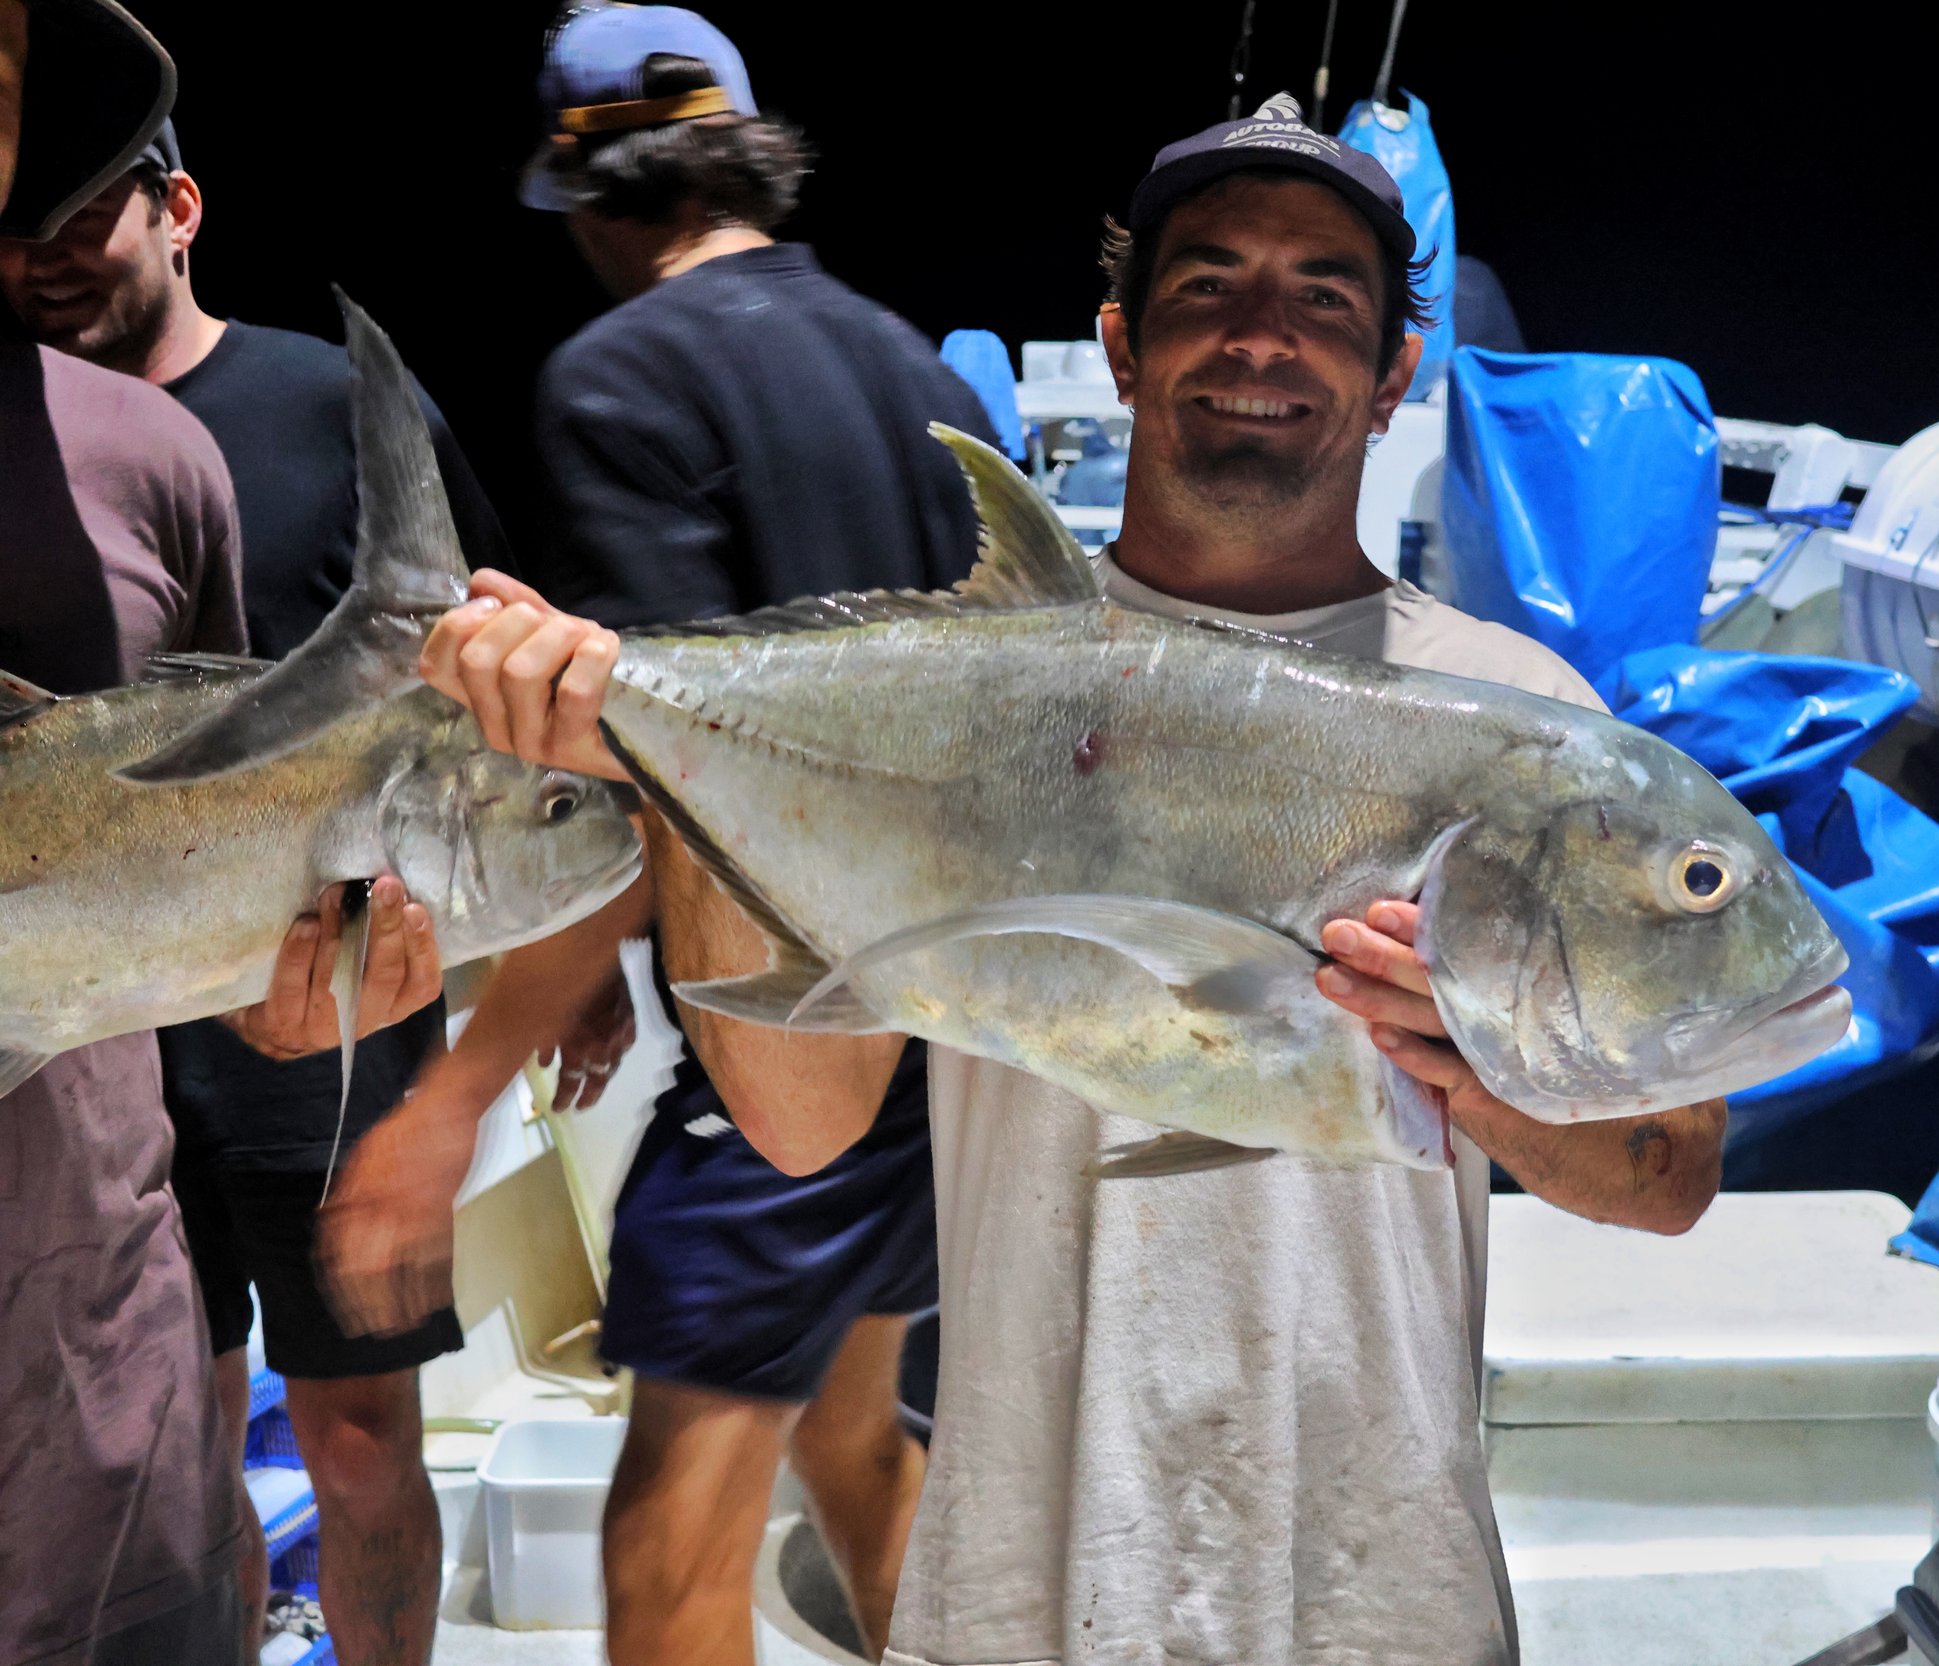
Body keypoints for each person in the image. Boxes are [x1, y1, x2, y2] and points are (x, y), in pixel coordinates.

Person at [414, 90, 1727, 1666]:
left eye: (1325, 295)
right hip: (1024, 1585)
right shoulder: (971, 686)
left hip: (1383, 1590)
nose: (1262, 333)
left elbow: (1670, 1173)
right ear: (1120, 344)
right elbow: (799, 1112)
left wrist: (1475, 1071)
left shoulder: (1522, 724)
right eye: (1208, 285)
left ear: (1395, 375)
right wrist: (670, 772)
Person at [317, 9, 993, 1661]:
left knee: (662, 1551)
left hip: (786, 1047)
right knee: (844, 1428)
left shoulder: (622, 376)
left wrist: (441, 1111)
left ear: (592, 201)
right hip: (946, 1033)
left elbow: (629, 793)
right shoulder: (909, 362)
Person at [0, 117, 515, 1666]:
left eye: (93, 208)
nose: (50, 246)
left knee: (356, 1436)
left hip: (321, 1008)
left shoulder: (313, 402)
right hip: (109, 1023)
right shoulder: (38, 444)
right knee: (189, 1409)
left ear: (182, 208)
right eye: (22, 215)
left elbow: (476, 652)